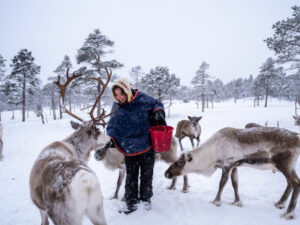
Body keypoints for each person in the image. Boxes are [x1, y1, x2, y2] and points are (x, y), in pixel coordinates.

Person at [96, 77, 166, 214]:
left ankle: (145, 199)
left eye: (121, 94)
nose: (119, 97)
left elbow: (157, 104)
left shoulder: (142, 98)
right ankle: (131, 203)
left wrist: (158, 112)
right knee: (131, 176)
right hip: (129, 147)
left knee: (146, 175)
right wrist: (108, 141)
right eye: (116, 95)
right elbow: (112, 125)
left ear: (127, 90)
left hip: (146, 144)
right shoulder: (117, 105)